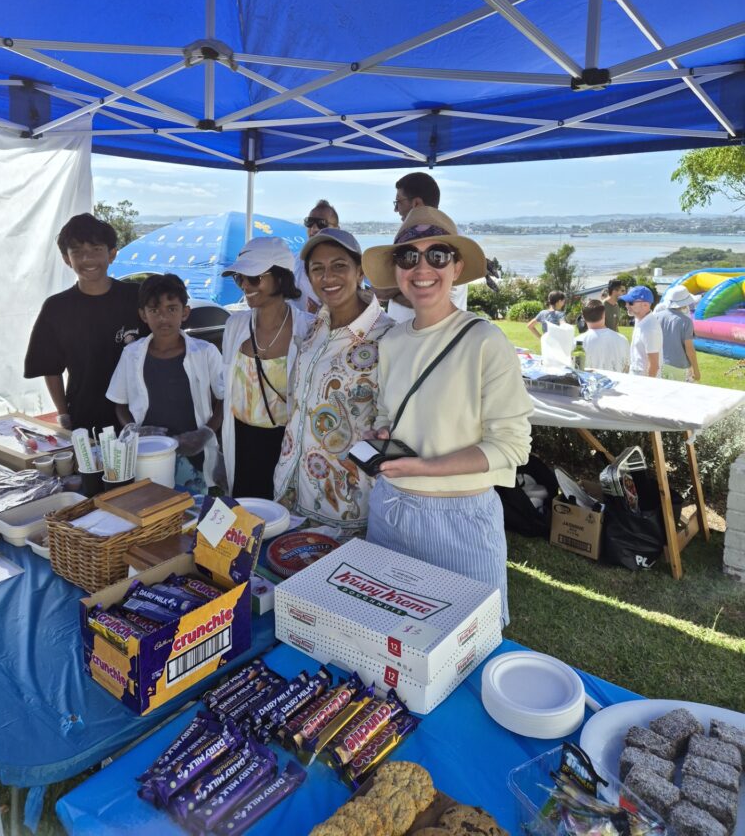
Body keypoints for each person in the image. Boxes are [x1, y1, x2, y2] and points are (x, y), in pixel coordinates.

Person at [362, 208, 533, 624]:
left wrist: (426, 467)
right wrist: (384, 434)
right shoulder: (391, 340)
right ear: (397, 270)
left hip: (461, 520)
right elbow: (390, 411)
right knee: (386, 632)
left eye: (437, 256)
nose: (422, 268)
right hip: (389, 508)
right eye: (409, 257)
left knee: (466, 642)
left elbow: (512, 445)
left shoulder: (485, 341)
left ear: (456, 268)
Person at [274, 228, 392, 534]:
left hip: (345, 503)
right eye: (318, 269)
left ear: (360, 270)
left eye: (339, 265)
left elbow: (395, 424)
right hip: (290, 489)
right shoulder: (314, 328)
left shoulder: (388, 337)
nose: (328, 277)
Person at [24, 212, 145, 433]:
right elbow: (50, 368)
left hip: (141, 412)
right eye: (77, 252)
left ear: (112, 254)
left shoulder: (136, 297)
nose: (87, 259)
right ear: (66, 259)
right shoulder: (57, 308)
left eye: (96, 250)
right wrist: (63, 413)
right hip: (85, 415)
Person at [106, 274, 223, 489]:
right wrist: (134, 429)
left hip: (195, 457)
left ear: (185, 312)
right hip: (149, 455)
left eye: (172, 309)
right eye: (154, 310)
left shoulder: (206, 353)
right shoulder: (131, 354)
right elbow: (119, 403)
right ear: (143, 315)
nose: (163, 318)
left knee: (193, 512)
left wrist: (205, 432)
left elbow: (224, 400)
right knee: (153, 507)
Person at [219, 237, 313, 499]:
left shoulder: (308, 329)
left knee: (284, 515)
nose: (246, 285)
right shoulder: (234, 326)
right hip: (241, 441)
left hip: (287, 444)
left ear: (280, 277)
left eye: (254, 277)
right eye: (240, 279)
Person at [384, 171, 468, 321]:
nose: (396, 209)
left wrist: (393, 292)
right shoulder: (407, 234)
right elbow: (381, 291)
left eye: (398, 202)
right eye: (407, 256)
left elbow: (436, 298)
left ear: (416, 203)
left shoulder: (450, 237)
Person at [292, 199, 339, 314]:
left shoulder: (345, 265)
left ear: (337, 229)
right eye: (309, 222)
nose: (314, 229)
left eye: (322, 223)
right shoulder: (294, 260)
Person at [656, 284, 701, 382]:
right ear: (685, 303)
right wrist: (696, 370)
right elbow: (690, 349)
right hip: (679, 366)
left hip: (660, 362)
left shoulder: (657, 316)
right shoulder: (686, 321)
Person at [619, 285, 663, 377]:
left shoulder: (650, 328)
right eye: (626, 302)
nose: (626, 305)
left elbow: (654, 366)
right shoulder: (639, 320)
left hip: (643, 383)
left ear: (645, 305)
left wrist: (646, 388)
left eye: (631, 302)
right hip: (636, 378)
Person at [580, 299, 630, 372]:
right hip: (617, 382)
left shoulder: (576, 342)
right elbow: (627, 368)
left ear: (583, 317)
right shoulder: (622, 339)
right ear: (604, 314)